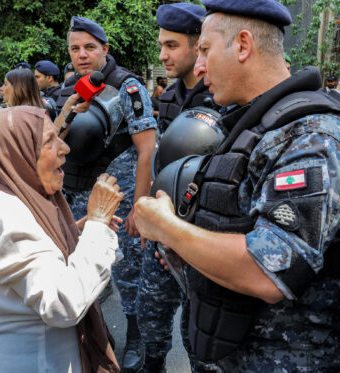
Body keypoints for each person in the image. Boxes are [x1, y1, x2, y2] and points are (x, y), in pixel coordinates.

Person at [134, 0, 340, 371]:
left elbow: (268, 270)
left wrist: (166, 226)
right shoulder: (253, 125)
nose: (198, 67)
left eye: (205, 50)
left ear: (243, 45)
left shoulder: (317, 135)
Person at [0, 106, 122, 373]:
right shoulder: (5, 214)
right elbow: (62, 303)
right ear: (17, 153)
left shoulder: (17, 199)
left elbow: (38, 259)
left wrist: (75, 234)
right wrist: (96, 226)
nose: (65, 148)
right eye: (48, 140)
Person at [55, 16, 157, 373]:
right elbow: (53, 143)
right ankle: (96, 338)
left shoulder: (127, 86)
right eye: (75, 48)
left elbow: (147, 150)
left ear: (104, 49)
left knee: (128, 271)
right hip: (76, 194)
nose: (82, 55)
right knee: (82, 270)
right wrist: (69, 109)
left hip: (119, 194)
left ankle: (135, 333)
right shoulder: (69, 88)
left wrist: (139, 208)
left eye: (89, 47)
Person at [136, 3, 219, 372]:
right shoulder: (167, 98)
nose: (162, 55)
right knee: (151, 310)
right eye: (161, 45)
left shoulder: (222, 95)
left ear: (197, 45)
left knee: (198, 328)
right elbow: (163, 160)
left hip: (202, 234)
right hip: (164, 224)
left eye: (171, 46)